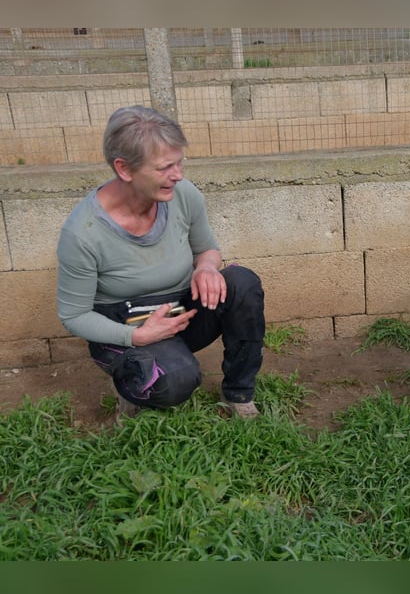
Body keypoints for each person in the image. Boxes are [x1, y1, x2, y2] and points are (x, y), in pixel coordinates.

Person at [56, 105, 265, 422]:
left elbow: (207, 248)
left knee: (242, 283)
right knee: (176, 381)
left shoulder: (184, 195)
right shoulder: (83, 233)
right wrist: (135, 338)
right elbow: (74, 315)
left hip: (181, 309)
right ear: (124, 169)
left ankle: (238, 393)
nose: (178, 174)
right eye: (165, 167)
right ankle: (132, 380)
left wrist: (205, 267)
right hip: (124, 326)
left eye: (179, 162)